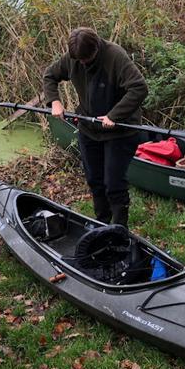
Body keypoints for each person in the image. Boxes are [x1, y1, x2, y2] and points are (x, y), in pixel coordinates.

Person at [43, 27, 148, 227]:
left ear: (96, 49)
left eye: (86, 59)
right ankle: (102, 224)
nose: (82, 63)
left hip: (120, 131)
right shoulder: (74, 58)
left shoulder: (115, 56)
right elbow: (50, 76)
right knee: (94, 180)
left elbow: (139, 87)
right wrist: (54, 102)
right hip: (89, 129)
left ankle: (119, 228)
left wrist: (114, 115)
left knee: (113, 184)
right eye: (79, 60)